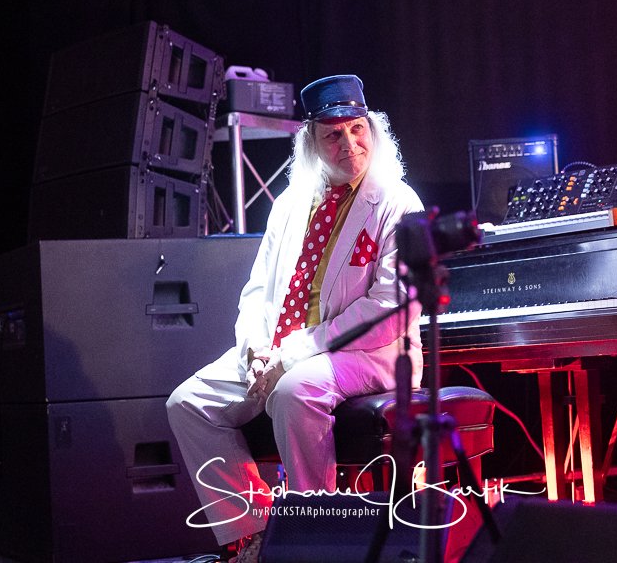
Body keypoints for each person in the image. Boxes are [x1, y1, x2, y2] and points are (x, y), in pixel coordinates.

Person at [166, 74, 424, 562]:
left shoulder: (397, 202)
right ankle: (256, 535)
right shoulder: (289, 205)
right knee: (188, 403)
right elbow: (256, 291)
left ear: (372, 129)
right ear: (311, 141)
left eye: (357, 129)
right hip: (281, 350)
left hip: (367, 353)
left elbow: (389, 309)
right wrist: (255, 351)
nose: (349, 144)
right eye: (333, 134)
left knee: (294, 389)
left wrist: (292, 354)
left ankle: (313, 540)